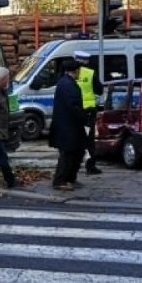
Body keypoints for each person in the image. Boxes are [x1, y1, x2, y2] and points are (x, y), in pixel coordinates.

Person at [48, 58, 86, 190]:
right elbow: (73, 106)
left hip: (68, 126)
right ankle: (60, 180)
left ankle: (69, 178)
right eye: (79, 70)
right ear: (74, 71)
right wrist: (83, 117)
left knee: (76, 152)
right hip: (68, 127)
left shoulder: (65, 83)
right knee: (67, 154)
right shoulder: (68, 85)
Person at [74, 49, 104, 175]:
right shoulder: (90, 73)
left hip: (75, 111)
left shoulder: (69, 74)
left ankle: (74, 165)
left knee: (75, 138)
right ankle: (90, 166)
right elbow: (99, 90)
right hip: (88, 111)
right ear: (86, 61)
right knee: (89, 141)